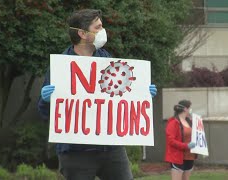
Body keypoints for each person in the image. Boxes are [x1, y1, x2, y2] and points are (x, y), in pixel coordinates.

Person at [38, 9, 157, 180]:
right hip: (76, 152)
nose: (103, 31)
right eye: (98, 27)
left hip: (111, 148)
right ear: (82, 33)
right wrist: (46, 100)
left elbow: (118, 99)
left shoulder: (108, 60)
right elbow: (44, 113)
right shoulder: (61, 67)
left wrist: (141, 94)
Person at [165, 100, 197, 180]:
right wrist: (186, 146)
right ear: (185, 109)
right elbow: (171, 141)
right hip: (177, 157)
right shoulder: (173, 123)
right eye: (190, 108)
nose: (190, 110)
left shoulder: (190, 122)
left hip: (189, 157)